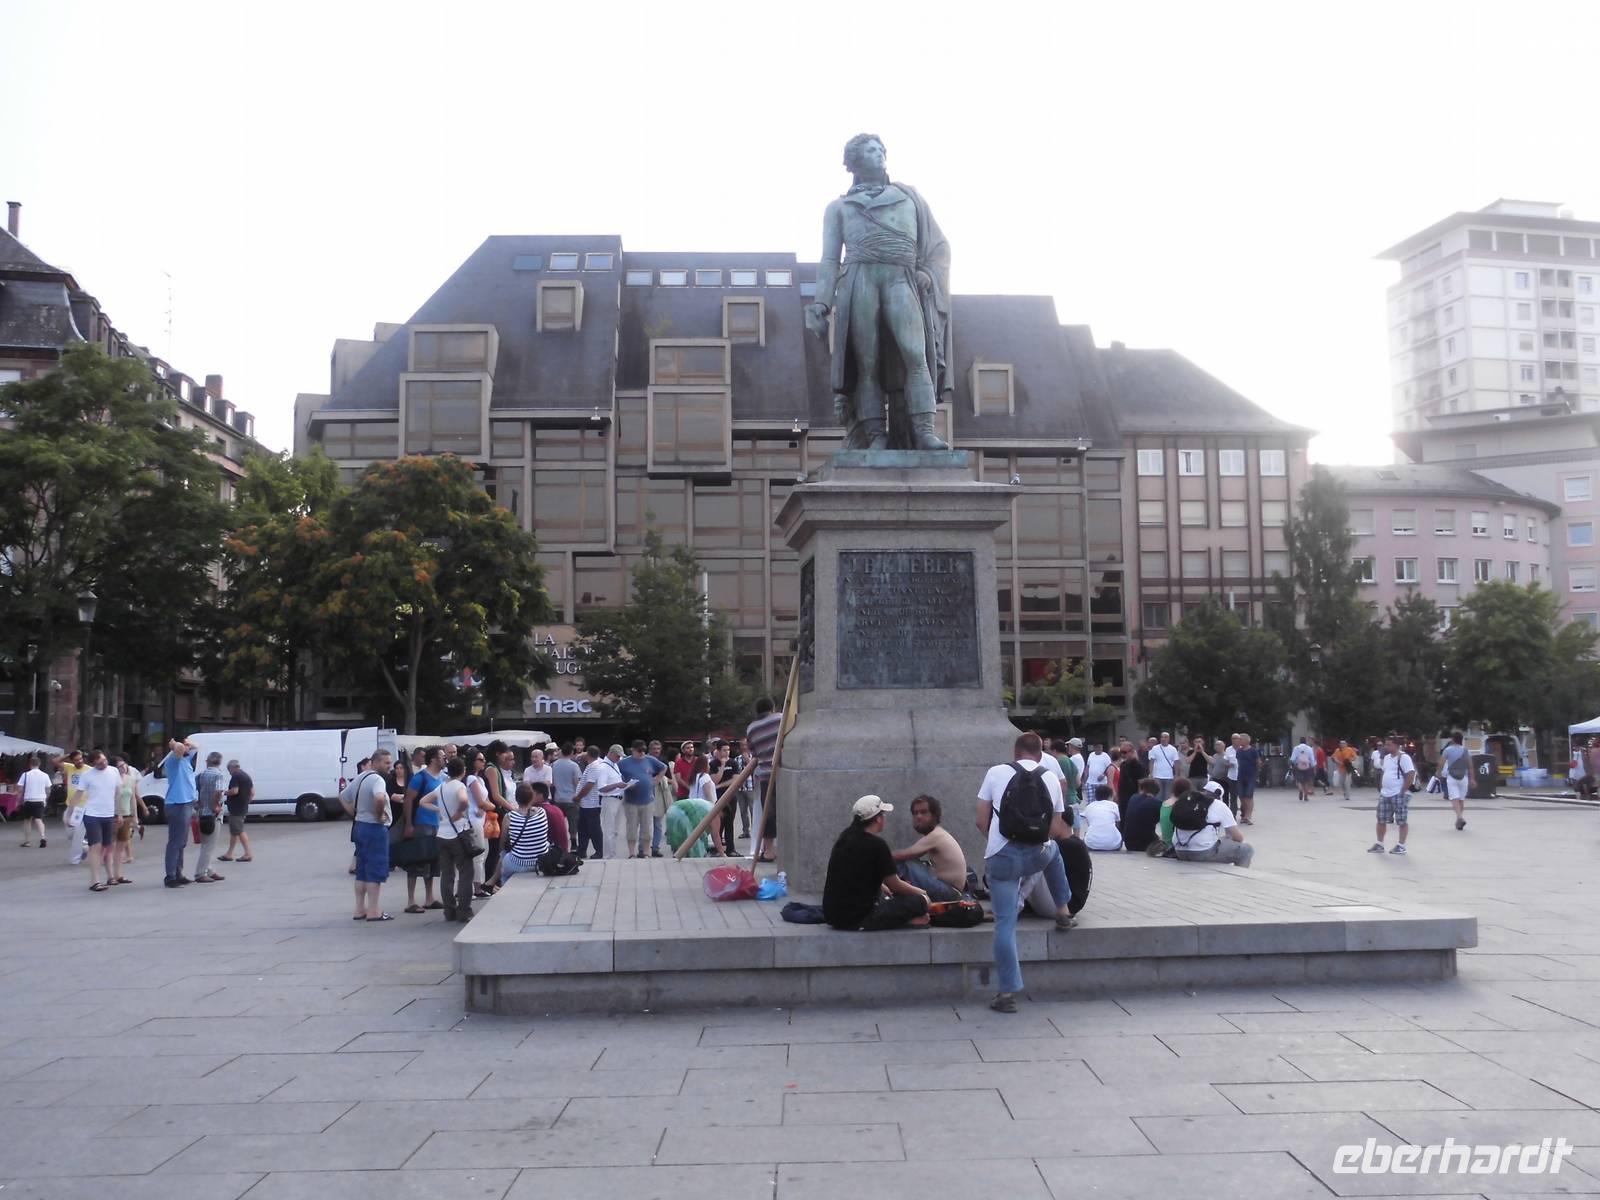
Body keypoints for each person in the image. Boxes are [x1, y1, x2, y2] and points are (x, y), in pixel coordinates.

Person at [977, 732, 1076, 1013]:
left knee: (1005, 924)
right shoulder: (1051, 779)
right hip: (1037, 853)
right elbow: (1056, 829)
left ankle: (1007, 994)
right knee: (1054, 852)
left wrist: (998, 845)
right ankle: (1063, 910)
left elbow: (980, 819)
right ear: (1040, 752)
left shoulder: (996, 772)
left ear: (1015, 751)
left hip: (1002, 858)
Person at [822, 795, 931, 931]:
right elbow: (896, 885)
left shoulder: (845, 837)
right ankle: (910, 920)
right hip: (859, 918)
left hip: (833, 916)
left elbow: (855, 874)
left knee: (885, 896)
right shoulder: (877, 845)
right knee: (920, 902)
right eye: (883, 815)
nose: (884, 818)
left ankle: (909, 919)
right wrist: (922, 893)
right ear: (878, 819)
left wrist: (881, 885)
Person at [345, 748, 394, 920]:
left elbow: (343, 796)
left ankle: (359, 909)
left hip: (360, 826)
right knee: (375, 869)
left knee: (362, 870)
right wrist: (379, 815)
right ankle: (374, 910)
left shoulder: (361, 777)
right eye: (387, 763)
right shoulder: (378, 780)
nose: (390, 766)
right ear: (377, 762)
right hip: (374, 829)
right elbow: (379, 798)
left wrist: (355, 813)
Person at [891, 794, 967, 901]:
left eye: (924, 812)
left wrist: (877, 856)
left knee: (904, 863)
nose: (918, 817)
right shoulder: (937, 834)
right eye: (915, 813)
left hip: (949, 892)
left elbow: (904, 854)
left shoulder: (936, 835)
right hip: (947, 889)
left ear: (934, 815)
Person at [400, 745, 444, 913]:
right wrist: (409, 824)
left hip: (435, 824)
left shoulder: (440, 777)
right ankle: (411, 901)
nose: (444, 758)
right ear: (433, 759)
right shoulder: (420, 778)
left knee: (432, 861)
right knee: (416, 861)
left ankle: (429, 897)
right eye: (441, 756)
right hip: (422, 823)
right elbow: (409, 800)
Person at [1172, 779, 1255, 867]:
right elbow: (1238, 837)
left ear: (1204, 790)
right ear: (1219, 796)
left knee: (1219, 842)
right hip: (1202, 852)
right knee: (1246, 850)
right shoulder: (1219, 804)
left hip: (1179, 850)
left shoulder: (1187, 801)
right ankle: (1240, 878)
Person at [433, 757, 475, 923]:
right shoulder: (459, 785)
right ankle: (464, 910)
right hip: (457, 832)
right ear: (463, 770)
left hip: (441, 833)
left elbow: (423, 801)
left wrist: (440, 811)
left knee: (447, 874)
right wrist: (457, 813)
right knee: (465, 873)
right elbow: (464, 800)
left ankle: (449, 911)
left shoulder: (441, 787)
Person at [488, 782, 550, 884]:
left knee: (504, 856)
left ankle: (499, 884)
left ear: (516, 799)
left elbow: (503, 842)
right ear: (532, 798)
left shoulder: (509, 817)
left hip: (519, 863)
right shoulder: (542, 813)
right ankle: (492, 882)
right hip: (541, 861)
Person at [618, 741, 669, 859]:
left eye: (643, 751)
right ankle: (631, 852)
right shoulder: (624, 763)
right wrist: (625, 784)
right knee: (631, 827)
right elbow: (616, 774)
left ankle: (646, 852)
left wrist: (657, 779)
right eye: (639, 751)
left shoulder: (649, 760)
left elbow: (663, 767)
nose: (642, 753)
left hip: (647, 800)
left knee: (647, 827)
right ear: (633, 750)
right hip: (631, 800)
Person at [747, 696, 784, 862]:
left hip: (764, 775)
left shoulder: (751, 729)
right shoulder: (781, 719)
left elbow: (754, 754)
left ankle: (768, 851)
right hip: (783, 771)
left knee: (768, 814)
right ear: (773, 707)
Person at [78, 750, 121, 891]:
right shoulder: (87, 775)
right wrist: (70, 812)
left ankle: (110, 876)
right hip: (92, 814)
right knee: (95, 846)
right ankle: (94, 881)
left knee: (107, 846)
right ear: (93, 765)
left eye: (104, 761)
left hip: (108, 814)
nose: (103, 764)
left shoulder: (113, 771)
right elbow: (79, 794)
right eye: (99, 764)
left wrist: (118, 812)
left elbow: (117, 793)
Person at [159, 738, 199, 888]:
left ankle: (178, 873)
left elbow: (198, 746)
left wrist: (189, 742)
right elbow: (180, 748)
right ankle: (170, 876)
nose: (188, 748)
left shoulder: (186, 761)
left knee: (181, 842)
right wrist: (174, 744)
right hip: (177, 803)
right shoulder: (173, 761)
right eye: (185, 746)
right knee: (175, 842)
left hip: (186, 803)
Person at [574, 746, 625, 860]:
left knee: (594, 828)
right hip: (587, 802)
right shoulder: (598, 764)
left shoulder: (595, 766)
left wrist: (578, 797)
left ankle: (599, 851)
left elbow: (589, 785)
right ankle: (582, 850)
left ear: (588, 754)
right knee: (583, 828)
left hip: (591, 802)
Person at [1370, 735, 1416, 855]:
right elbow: (1384, 771)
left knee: (1401, 820)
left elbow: (1411, 774)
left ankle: (1401, 845)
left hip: (1398, 793)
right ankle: (1379, 844)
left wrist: (1403, 790)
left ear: (1396, 745)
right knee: (1381, 818)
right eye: (1386, 744)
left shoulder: (1404, 758)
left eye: (1389, 744)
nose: (1386, 747)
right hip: (1385, 793)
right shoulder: (1386, 758)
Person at [192, 752, 228, 884]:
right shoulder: (219, 774)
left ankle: (209, 869)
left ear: (207, 761)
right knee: (209, 845)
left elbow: (193, 789)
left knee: (206, 843)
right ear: (219, 762)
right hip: (212, 814)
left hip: (202, 811)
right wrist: (216, 806)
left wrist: (196, 803)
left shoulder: (201, 775)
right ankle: (200, 873)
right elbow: (219, 791)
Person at [111, 756, 146, 882]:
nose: (123, 768)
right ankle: (111, 875)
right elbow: (115, 799)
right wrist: (118, 813)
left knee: (121, 846)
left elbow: (132, 799)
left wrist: (135, 816)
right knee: (112, 846)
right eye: (119, 766)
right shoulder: (113, 781)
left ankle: (118, 875)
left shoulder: (130, 779)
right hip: (114, 815)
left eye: (124, 765)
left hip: (127, 815)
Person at [219, 758, 254, 863]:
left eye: (228, 769)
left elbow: (234, 791)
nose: (229, 772)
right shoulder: (246, 775)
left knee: (239, 830)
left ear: (232, 767)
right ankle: (229, 854)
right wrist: (246, 802)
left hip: (236, 808)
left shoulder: (236, 776)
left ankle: (248, 853)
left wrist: (223, 793)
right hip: (242, 807)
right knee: (234, 831)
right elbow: (252, 792)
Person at [550, 743, 582, 851]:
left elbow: (552, 782)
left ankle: (558, 844)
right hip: (571, 799)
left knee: (559, 823)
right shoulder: (574, 766)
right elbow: (577, 783)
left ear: (561, 751)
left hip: (558, 799)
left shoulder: (553, 765)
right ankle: (573, 844)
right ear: (572, 753)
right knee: (573, 822)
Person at [1438, 730, 1471, 831]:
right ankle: (1458, 820)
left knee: (1454, 799)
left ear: (1452, 739)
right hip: (1464, 777)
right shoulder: (1466, 750)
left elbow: (1441, 763)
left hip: (1452, 777)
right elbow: (1471, 766)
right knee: (1461, 799)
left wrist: (1438, 773)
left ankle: (1460, 817)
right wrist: (1473, 778)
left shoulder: (1448, 750)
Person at [1122, 776, 1163, 854]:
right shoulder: (1157, 803)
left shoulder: (1133, 798)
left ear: (1142, 788)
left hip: (1128, 842)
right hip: (1145, 844)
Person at [16, 754, 49, 849]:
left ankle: (27, 841)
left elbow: (20, 789)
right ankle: (43, 836)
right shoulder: (45, 775)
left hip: (28, 799)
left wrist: (18, 800)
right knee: (39, 819)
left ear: (30, 764)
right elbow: (48, 789)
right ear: (39, 764)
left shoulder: (25, 775)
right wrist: (46, 798)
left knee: (27, 820)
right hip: (40, 800)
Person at [1080, 784, 1124, 851]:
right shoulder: (1114, 805)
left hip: (1092, 844)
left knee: (1086, 833)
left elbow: (1089, 824)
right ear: (1110, 797)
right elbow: (1118, 824)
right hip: (1113, 844)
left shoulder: (1089, 806)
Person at [1115, 739, 1145, 820]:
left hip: (1133, 799)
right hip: (1123, 798)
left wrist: (1139, 800)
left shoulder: (1138, 766)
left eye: (1124, 752)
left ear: (1132, 752)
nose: (1122, 755)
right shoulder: (1123, 765)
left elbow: (1141, 785)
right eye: (1121, 752)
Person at [1147, 732, 1183, 800]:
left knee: (1167, 796)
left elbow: (1176, 762)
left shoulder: (1173, 749)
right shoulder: (1155, 748)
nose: (1163, 739)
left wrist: (1177, 775)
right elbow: (1151, 762)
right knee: (1158, 796)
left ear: (1169, 739)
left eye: (1165, 737)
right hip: (1157, 775)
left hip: (1169, 776)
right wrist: (1151, 774)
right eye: (1162, 737)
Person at [1235, 734, 1261, 825]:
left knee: (1249, 797)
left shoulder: (1253, 751)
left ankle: (1248, 817)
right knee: (1242, 797)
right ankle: (1244, 815)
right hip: (1240, 776)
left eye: (1240, 739)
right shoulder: (1239, 751)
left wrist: (1257, 775)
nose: (1239, 741)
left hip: (1251, 776)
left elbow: (1258, 763)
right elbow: (1238, 763)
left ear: (1246, 740)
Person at [1290, 736, 1316, 803]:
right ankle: (1306, 796)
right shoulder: (1309, 748)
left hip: (1298, 766)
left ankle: (1301, 790)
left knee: (1299, 780)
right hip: (1307, 766)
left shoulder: (1296, 748)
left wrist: (1294, 763)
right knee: (1306, 781)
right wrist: (1313, 765)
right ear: (1305, 742)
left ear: (1300, 741)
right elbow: (1312, 758)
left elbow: (1292, 759)